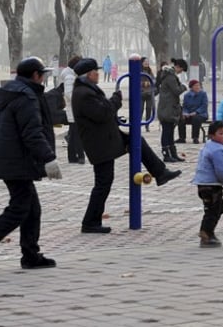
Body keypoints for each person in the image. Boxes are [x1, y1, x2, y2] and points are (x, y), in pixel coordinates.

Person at [0, 57, 62, 275]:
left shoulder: (8, 92)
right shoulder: (26, 96)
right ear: (35, 76)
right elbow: (32, 132)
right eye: (42, 75)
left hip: (8, 157)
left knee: (31, 208)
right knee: (20, 208)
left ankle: (30, 255)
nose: (44, 79)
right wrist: (48, 158)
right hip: (18, 159)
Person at [72, 57, 182, 234]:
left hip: (106, 139)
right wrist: (116, 100)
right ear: (89, 74)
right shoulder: (84, 94)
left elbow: (102, 112)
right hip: (100, 143)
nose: (98, 74)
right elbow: (102, 112)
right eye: (96, 72)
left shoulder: (86, 90)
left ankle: (160, 172)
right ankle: (90, 222)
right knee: (103, 183)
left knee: (136, 140)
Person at [191, 120, 223, 247]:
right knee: (214, 210)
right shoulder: (218, 150)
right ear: (211, 136)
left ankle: (207, 233)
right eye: (221, 133)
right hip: (211, 185)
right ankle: (206, 233)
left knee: (215, 208)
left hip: (202, 184)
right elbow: (222, 170)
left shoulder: (209, 146)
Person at [157, 59, 187, 162]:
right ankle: (166, 154)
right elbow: (177, 91)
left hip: (169, 108)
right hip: (167, 108)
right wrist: (184, 86)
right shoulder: (170, 77)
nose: (181, 72)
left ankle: (173, 154)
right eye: (181, 70)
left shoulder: (170, 75)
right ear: (178, 67)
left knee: (170, 132)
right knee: (167, 132)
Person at [59, 55, 85, 163]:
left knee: (74, 134)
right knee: (77, 134)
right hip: (74, 110)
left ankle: (73, 156)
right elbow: (69, 94)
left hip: (74, 109)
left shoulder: (70, 75)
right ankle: (80, 155)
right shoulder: (70, 77)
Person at [179, 79, 209, 144]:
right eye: (195, 86)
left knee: (196, 118)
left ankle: (195, 137)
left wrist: (196, 112)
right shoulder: (187, 95)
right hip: (189, 114)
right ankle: (182, 138)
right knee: (181, 119)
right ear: (191, 87)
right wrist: (185, 113)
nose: (197, 87)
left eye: (198, 85)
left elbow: (204, 105)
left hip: (201, 114)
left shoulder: (203, 94)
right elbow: (185, 106)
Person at [140, 57, 155, 132]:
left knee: (149, 109)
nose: (146, 63)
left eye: (147, 61)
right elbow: (136, 81)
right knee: (140, 109)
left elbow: (153, 80)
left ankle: (147, 125)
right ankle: (138, 124)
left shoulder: (150, 71)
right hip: (141, 93)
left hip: (149, 93)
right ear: (141, 63)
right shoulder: (139, 71)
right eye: (145, 61)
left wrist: (150, 83)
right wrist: (143, 83)